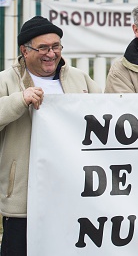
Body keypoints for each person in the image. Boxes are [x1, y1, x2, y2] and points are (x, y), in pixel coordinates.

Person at [0, 16, 102, 255]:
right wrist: (19, 100)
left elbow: (104, 113)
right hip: (24, 201)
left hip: (73, 193)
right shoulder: (6, 81)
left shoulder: (79, 78)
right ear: (24, 51)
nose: (51, 54)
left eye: (56, 46)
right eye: (43, 48)